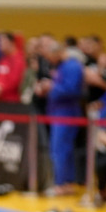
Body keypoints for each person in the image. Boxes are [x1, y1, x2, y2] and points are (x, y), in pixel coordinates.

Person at [43, 42, 85, 195]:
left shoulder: (72, 66)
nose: (50, 60)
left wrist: (52, 87)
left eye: (50, 57)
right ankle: (65, 182)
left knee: (60, 149)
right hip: (58, 113)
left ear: (58, 53)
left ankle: (62, 183)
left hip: (67, 114)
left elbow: (72, 89)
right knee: (60, 149)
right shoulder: (62, 67)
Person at [0, 32, 25, 104]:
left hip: (12, 102)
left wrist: (1, 88)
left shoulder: (19, 59)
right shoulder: (3, 59)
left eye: (2, 41)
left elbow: (15, 81)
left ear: (10, 42)